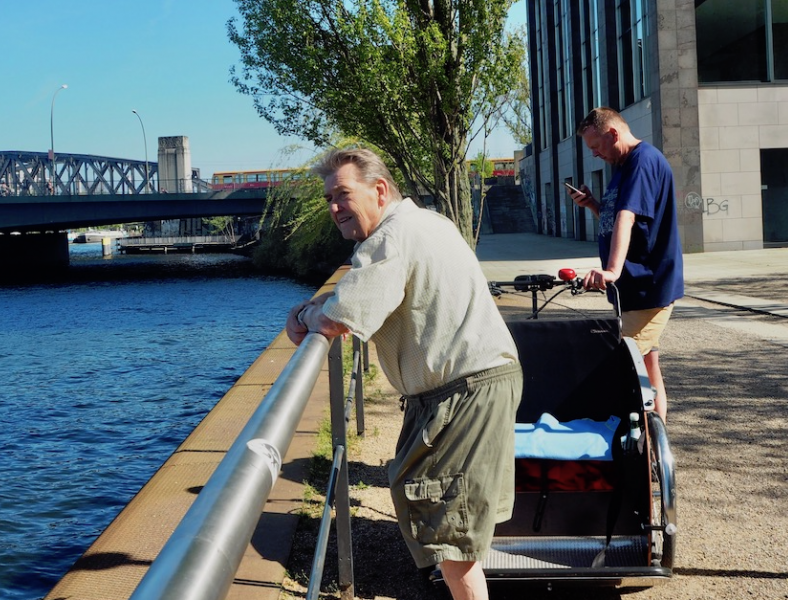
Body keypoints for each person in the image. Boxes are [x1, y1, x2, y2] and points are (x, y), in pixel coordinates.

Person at [285, 148, 522, 600]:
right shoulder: (428, 222)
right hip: (474, 383)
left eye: (342, 194)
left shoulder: (390, 237)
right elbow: (358, 294)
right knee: (447, 520)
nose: (334, 207)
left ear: (378, 190)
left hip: (462, 390)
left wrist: (305, 313)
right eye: (329, 198)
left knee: (452, 537)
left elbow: (338, 319)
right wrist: (321, 310)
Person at [567, 107, 684, 422]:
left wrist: (613, 270)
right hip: (633, 290)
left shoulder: (642, 161)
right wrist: (593, 204)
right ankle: (655, 446)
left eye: (597, 147)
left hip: (648, 286)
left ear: (613, 134)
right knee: (648, 365)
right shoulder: (622, 165)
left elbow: (626, 216)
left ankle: (637, 450)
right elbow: (620, 220)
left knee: (618, 365)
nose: (595, 155)